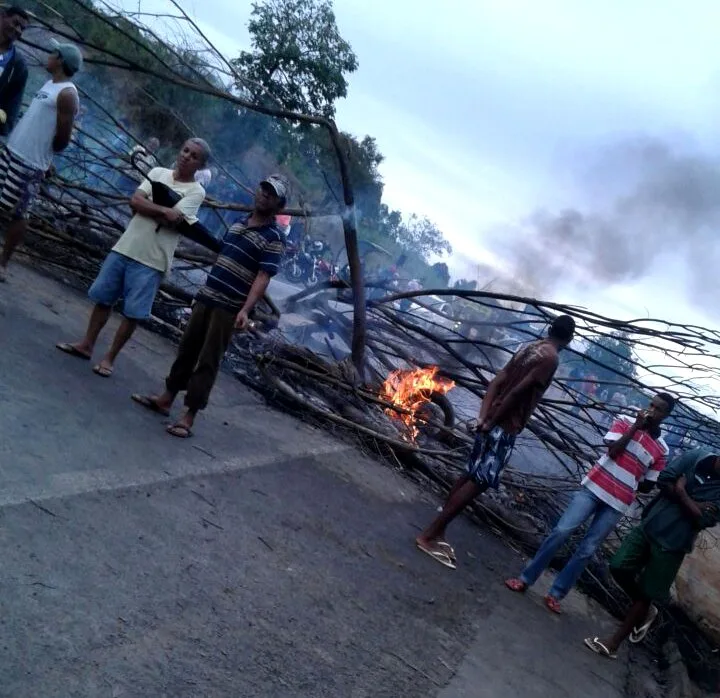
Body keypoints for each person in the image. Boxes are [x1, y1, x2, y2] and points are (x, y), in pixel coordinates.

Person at [131, 174, 288, 438]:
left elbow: (263, 276)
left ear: (279, 205)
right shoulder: (239, 223)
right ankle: (166, 398)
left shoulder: (274, 237)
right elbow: (223, 256)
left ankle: (188, 416)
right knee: (187, 348)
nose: (264, 195)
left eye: (271, 194)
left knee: (208, 360)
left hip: (229, 306)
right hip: (208, 296)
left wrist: (245, 309)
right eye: (263, 189)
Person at [415, 315, 577, 569]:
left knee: (469, 474)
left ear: (550, 329)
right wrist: (492, 423)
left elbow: (497, 381)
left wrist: (483, 415)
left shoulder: (530, 347)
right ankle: (429, 535)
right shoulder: (550, 359)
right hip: (504, 425)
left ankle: (438, 530)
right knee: (479, 481)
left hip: (491, 419)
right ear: (568, 339)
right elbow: (516, 392)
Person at [505, 393, 675, 613]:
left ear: (665, 416)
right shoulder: (625, 421)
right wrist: (635, 429)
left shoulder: (662, 450)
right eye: (651, 404)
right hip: (594, 487)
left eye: (658, 409)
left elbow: (647, 485)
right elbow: (613, 451)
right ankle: (526, 578)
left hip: (618, 503)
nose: (651, 410)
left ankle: (556, 594)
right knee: (561, 531)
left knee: (587, 549)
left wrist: (637, 473)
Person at [56, 139, 209, 376]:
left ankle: (109, 359)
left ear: (200, 164)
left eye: (194, 156)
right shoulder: (157, 172)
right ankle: (87, 345)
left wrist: (151, 208)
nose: (187, 156)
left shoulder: (197, 192)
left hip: (153, 258)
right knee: (103, 299)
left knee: (133, 312)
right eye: (185, 150)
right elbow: (135, 201)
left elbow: (172, 218)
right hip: (126, 246)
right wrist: (161, 209)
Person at [584, 448, 720, 659]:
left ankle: (613, 644)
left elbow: (704, 519)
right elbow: (664, 480)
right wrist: (694, 505)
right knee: (618, 566)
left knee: (648, 592)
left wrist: (682, 492)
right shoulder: (696, 457)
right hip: (651, 524)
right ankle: (646, 611)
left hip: (674, 544)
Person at [0, 39, 82, 281]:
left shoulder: (67, 94)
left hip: (31, 162)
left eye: (53, 53)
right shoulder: (50, 84)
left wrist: (45, 156)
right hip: (14, 150)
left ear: (60, 61)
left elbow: (63, 137)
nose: (48, 55)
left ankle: (3, 264)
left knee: (19, 212)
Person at [0, 6, 29, 137]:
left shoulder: (18, 65)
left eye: (22, 28)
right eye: (16, 23)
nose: (18, 30)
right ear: (3, 16)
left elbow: (12, 108)